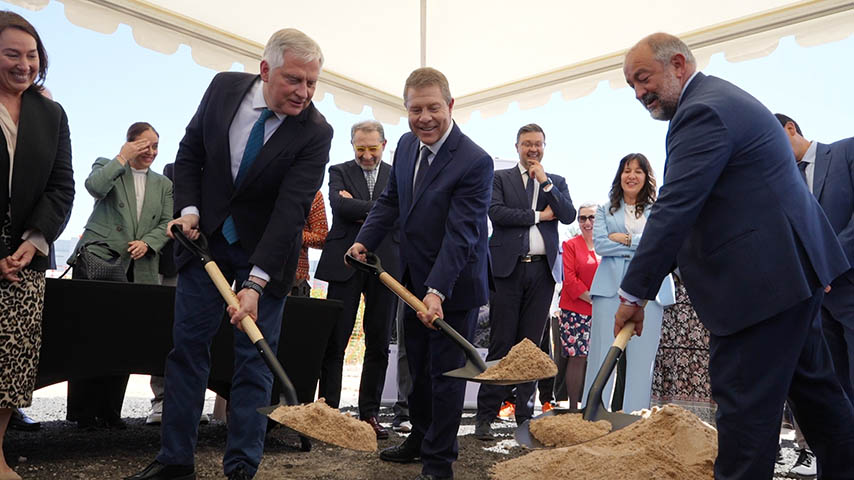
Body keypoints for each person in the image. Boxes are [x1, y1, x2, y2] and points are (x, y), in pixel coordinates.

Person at [616, 32, 854, 479]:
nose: (639, 92)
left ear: (679, 66)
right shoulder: (719, 100)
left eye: (643, 79)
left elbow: (677, 206)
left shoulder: (702, 111)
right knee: (821, 403)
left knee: (745, 419)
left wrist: (634, 293)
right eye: (631, 86)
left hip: (759, 289)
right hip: (789, 279)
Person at [126, 28, 332, 480]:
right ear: (265, 69)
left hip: (265, 252)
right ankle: (175, 460)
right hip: (207, 243)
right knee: (187, 351)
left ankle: (241, 467)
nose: (304, 92)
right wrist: (190, 209)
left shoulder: (315, 132)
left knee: (254, 360)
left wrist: (256, 283)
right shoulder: (223, 89)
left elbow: (290, 210)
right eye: (294, 80)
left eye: (312, 82)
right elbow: (191, 150)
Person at [347, 67, 493, 480]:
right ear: (406, 110)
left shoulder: (474, 161)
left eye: (433, 108)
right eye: (415, 109)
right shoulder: (408, 146)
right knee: (419, 371)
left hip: (453, 288)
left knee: (445, 376)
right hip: (411, 280)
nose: (424, 118)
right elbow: (390, 202)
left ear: (450, 105)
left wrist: (436, 291)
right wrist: (364, 242)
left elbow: (461, 234)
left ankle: (438, 463)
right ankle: (420, 439)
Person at [0, 11, 74, 480]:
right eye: (12, 54)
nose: (24, 64)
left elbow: (61, 186)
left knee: (10, 365)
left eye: (31, 55)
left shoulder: (51, 114)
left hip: (24, 259)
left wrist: (33, 241)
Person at [66, 122, 173, 430]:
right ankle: (83, 412)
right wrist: (122, 157)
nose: (151, 152)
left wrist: (148, 243)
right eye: (144, 145)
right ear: (130, 144)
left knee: (123, 339)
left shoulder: (163, 184)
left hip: (138, 266)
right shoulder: (108, 165)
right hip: (99, 262)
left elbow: (166, 221)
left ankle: (111, 410)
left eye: (155, 146)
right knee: (89, 335)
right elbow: (95, 187)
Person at [474, 123, 574, 440]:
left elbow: (569, 214)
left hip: (542, 273)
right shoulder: (500, 178)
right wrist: (538, 216)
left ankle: (524, 416)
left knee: (531, 347)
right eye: (527, 143)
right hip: (508, 270)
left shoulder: (555, 182)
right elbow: (496, 213)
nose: (533, 149)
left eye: (538, 144)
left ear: (545, 146)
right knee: (502, 343)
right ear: (517, 146)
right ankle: (486, 416)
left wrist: (545, 183)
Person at [775, 113, 854, 478]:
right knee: (836, 394)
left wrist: (826, 262)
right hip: (814, 305)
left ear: (791, 129)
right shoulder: (780, 185)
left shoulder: (846, 153)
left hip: (849, 287)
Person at [314, 120, 400, 438]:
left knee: (378, 342)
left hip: (385, 265)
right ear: (352, 145)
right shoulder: (338, 170)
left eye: (372, 149)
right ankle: (329, 411)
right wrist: (381, 209)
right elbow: (339, 205)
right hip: (344, 263)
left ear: (384, 144)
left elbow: (401, 210)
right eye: (360, 148)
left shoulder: (397, 174)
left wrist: (361, 208)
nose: (365, 155)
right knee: (335, 340)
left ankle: (370, 415)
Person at [584, 154, 674, 414]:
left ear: (647, 177)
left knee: (641, 362)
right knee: (602, 355)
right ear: (619, 175)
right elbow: (600, 244)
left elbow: (661, 245)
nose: (631, 175)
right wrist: (641, 243)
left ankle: (635, 419)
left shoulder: (658, 209)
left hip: (651, 293)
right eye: (626, 170)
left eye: (638, 171)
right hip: (608, 290)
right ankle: (592, 416)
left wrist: (624, 240)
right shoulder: (603, 209)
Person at [650, 274, 716, 424]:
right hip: (673, 298)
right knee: (670, 354)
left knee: (704, 360)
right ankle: (665, 417)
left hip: (707, 295)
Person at [558, 203, 600, 409]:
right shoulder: (570, 245)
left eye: (591, 217)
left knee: (599, 359)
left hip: (602, 312)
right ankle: (574, 408)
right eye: (582, 218)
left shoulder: (606, 245)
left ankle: (594, 406)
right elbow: (570, 280)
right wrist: (595, 299)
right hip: (576, 310)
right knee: (577, 358)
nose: (587, 222)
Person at [290, 190, 326, 297]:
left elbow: (322, 237)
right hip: (257, 269)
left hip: (295, 278)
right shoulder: (265, 185)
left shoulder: (313, 193)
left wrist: (293, 235)